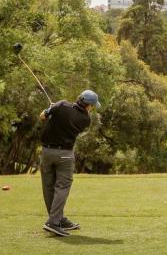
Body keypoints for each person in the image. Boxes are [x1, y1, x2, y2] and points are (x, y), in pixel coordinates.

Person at [38, 90, 100, 237]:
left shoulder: (61, 105)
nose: (91, 108)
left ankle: (57, 219)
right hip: (65, 155)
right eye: (92, 106)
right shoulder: (86, 119)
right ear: (88, 105)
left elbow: (42, 116)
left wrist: (52, 109)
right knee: (62, 187)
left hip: (46, 152)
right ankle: (53, 222)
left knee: (48, 187)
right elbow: (69, 118)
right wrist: (55, 110)